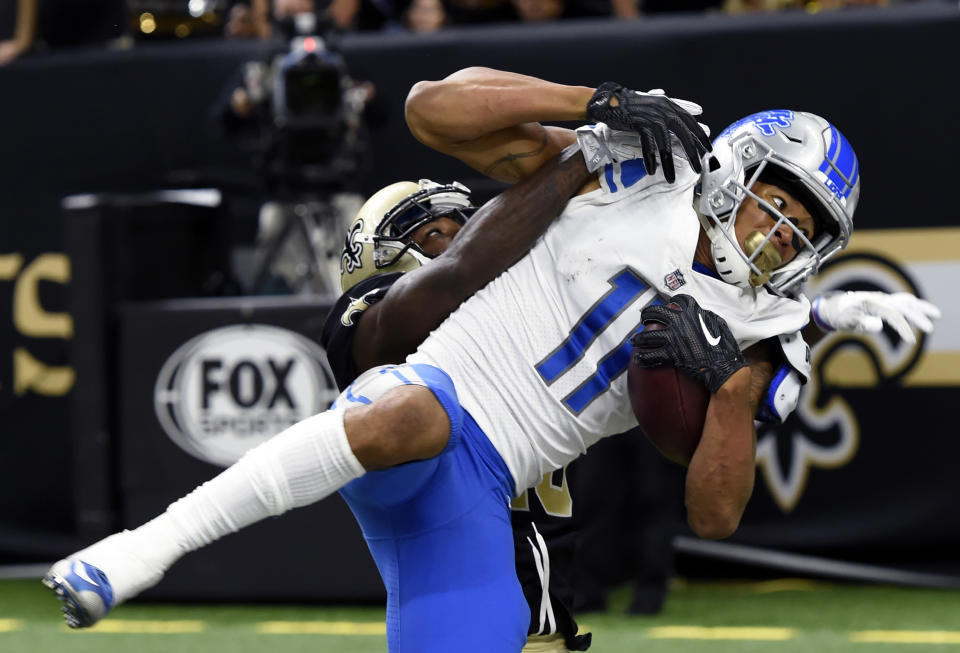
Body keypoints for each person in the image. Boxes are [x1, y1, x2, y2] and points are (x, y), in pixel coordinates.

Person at [44, 68, 938, 651]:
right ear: (738, 169)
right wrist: (593, 103)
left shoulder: (774, 330)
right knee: (408, 413)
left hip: (488, 485)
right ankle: (138, 550)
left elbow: (713, 512)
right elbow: (427, 106)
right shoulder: (643, 169)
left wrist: (736, 390)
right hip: (429, 398)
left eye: (801, 232)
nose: (779, 236)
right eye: (774, 206)